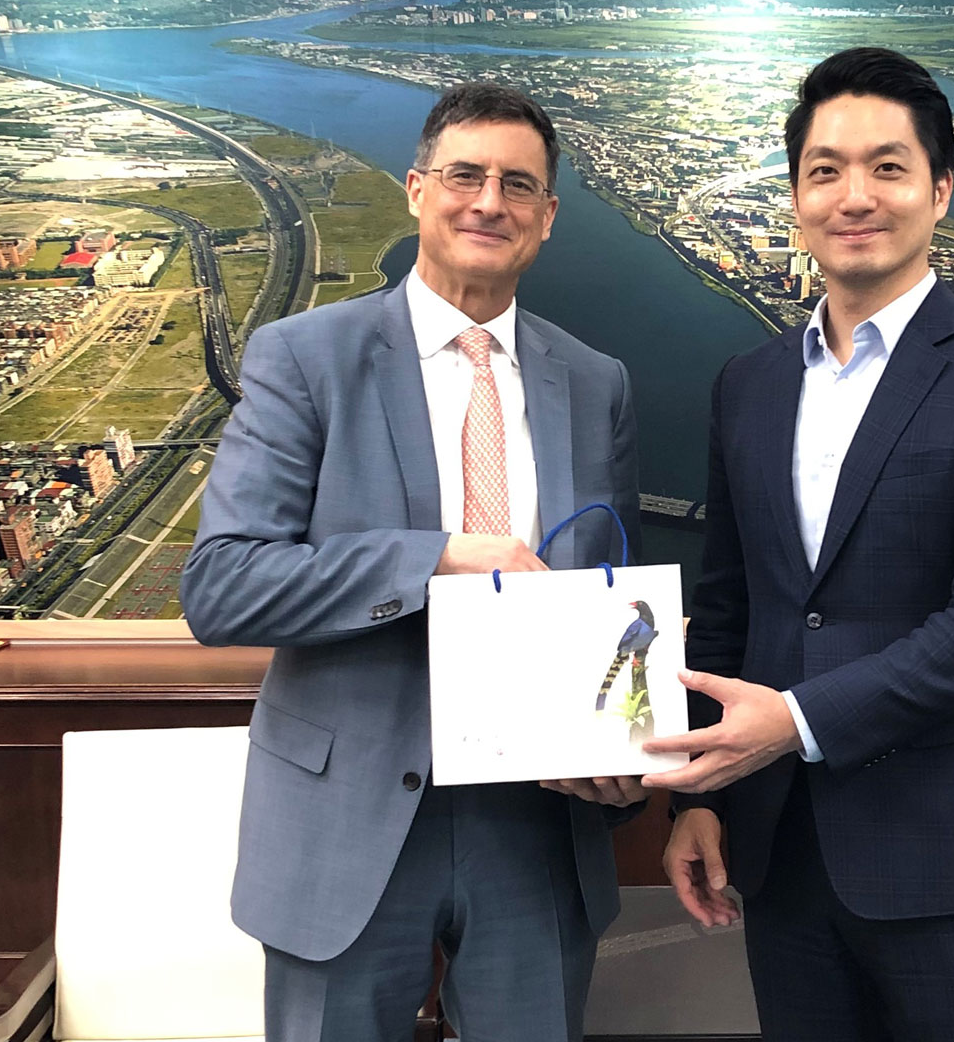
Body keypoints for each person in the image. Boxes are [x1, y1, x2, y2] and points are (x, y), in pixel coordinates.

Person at [181, 81, 645, 1042]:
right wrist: (436, 561)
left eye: (519, 185)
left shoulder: (597, 383)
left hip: (538, 828)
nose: (489, 202)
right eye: (465, 175)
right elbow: (223, 586)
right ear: (415, 190)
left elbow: (612, 602)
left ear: (548, 217)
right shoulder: (302, 356)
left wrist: (623, 748)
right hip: (346, 820)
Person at [641, 47, 954, 1042]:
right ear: (796, 197)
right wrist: (697, 799)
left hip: (953, 859)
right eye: (825, 169)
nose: (854, 195)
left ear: (939, 190)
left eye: (887, 166)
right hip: (782, 854)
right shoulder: (746, 382)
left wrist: (791, 719)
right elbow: (730, 601)